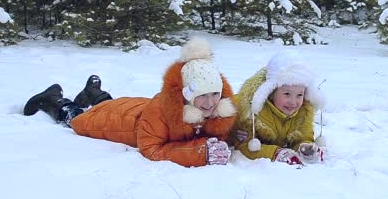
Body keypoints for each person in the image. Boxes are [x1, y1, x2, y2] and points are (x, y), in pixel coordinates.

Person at [22, 38, 237, 167]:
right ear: (187, 94)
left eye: (214, 94)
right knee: (78, 120)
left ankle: (93, 92)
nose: (210, 103)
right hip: (116, 122)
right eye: (202, 95)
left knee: (112, 105)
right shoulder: (164, 110)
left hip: (132, 107)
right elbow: (151, 149)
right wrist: (200, 152)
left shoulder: (219, 106)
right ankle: (54, 100)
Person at [231, 50, 327, 165]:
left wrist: (304, 147)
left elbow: (303, 136)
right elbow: (245, 145)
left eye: (299, 95)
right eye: (287, 94)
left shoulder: (304, 111)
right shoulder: (249, 111)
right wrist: (275, 153)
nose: (293, 102)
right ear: (271, 92)